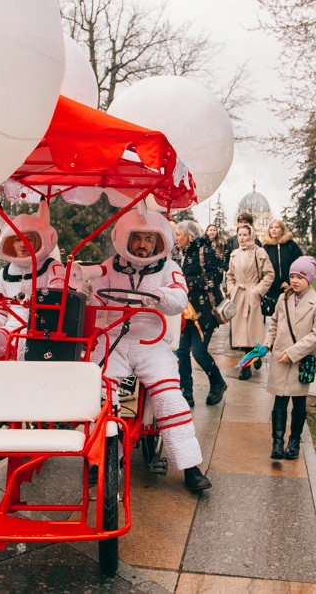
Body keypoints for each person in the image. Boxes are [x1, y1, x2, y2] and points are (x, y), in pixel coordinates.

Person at [89, 207, 211, 492]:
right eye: (137, 238)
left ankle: (190, 466)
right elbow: (94, 298)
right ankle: (102, 459)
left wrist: (160, 295)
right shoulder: (110, 266)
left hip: (151, 342)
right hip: (114, 341)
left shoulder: (169, 268)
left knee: (170, 396)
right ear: (126, 240)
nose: (142, 245)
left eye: (148, 239)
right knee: (97, 392)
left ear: (159, 242)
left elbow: (180, 300)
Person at [0, 201, 65, 361]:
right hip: (11, 330)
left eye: (29, 239)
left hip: (43, 333)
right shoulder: (4, 274)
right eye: (17, 239)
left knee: (23, 342)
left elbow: (58, 303)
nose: (22, 244)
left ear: (40, 240)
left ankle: (19, 384)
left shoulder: (52, 268)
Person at [264, 256, 316, 460]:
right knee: (279, 402)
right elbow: (274, 323)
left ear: (309, 278)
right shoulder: (284, 299)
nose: (295, 280)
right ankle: (277, 442)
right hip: (279, 357)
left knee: (299, 403)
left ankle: (294, 441)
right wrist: (268, 341)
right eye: (292, 276)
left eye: (300, 276)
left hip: (301, 360)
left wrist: (292, 353)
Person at [174, 220, 228, 408]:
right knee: (181, 352)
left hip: (204, 313)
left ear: (189, 235)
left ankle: (218, 382)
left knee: (198, 351)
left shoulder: (206, 251)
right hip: (185, 312)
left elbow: (215, 276)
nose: (176, 238)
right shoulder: (183, 253)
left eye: (178, 234)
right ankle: (186, 392)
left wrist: (185, 282)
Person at [227, 223, 274, 378]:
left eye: (245, 235)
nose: (242, 238)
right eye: (240, 235)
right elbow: (230, 275)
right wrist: (232, 289)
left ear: (251, 235)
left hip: (252, 295)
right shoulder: (234, 254)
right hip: (238, 296)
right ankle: (254, 357)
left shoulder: (259, 252)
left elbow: (269, 274)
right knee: (241, 334)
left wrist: (258, 291)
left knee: (251, 332)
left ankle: (246, 367)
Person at [262, 219, 303, 317]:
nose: (273, 230)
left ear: (282, 230)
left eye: (276, 227)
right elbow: (263, 268)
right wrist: (276, 283)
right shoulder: (266, 247)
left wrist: (289, 281)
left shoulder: (290, 245)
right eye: (271, 228)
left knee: (289, 315)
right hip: (272, 287)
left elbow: (299, 263)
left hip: (290, 286)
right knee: (274, 316)